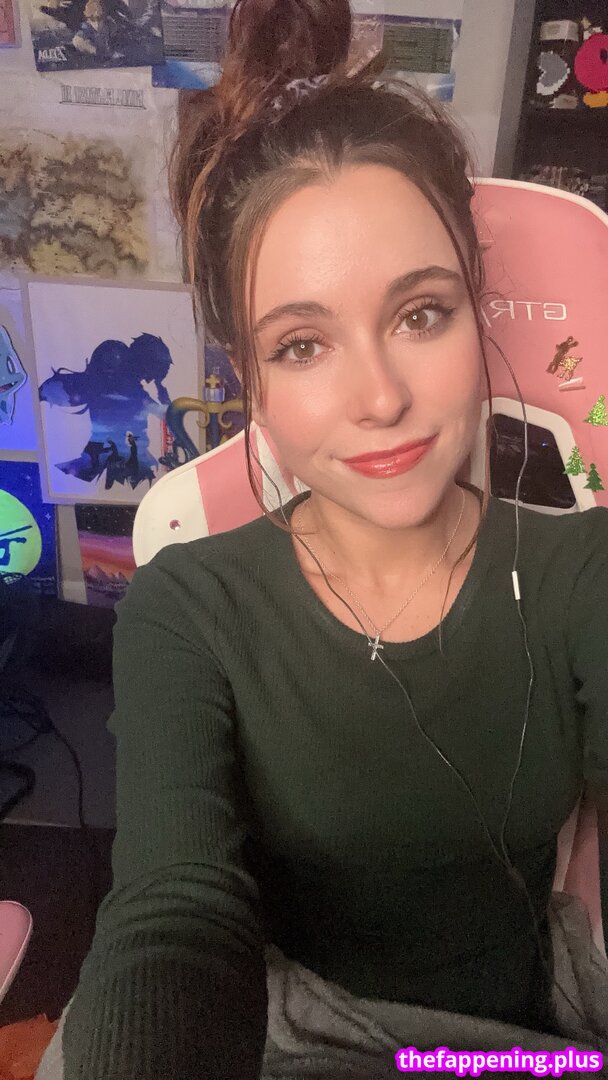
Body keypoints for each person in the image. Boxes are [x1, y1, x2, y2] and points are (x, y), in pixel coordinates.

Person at [37, 1, 608, 1077]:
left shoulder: (583, 572)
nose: (380, 398)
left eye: (420, 314)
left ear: (474, 305)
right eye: (302, 344)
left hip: (516, 1049)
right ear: (249, 377)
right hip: (287, 1031)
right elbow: (171, 914)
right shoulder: (188, 608)